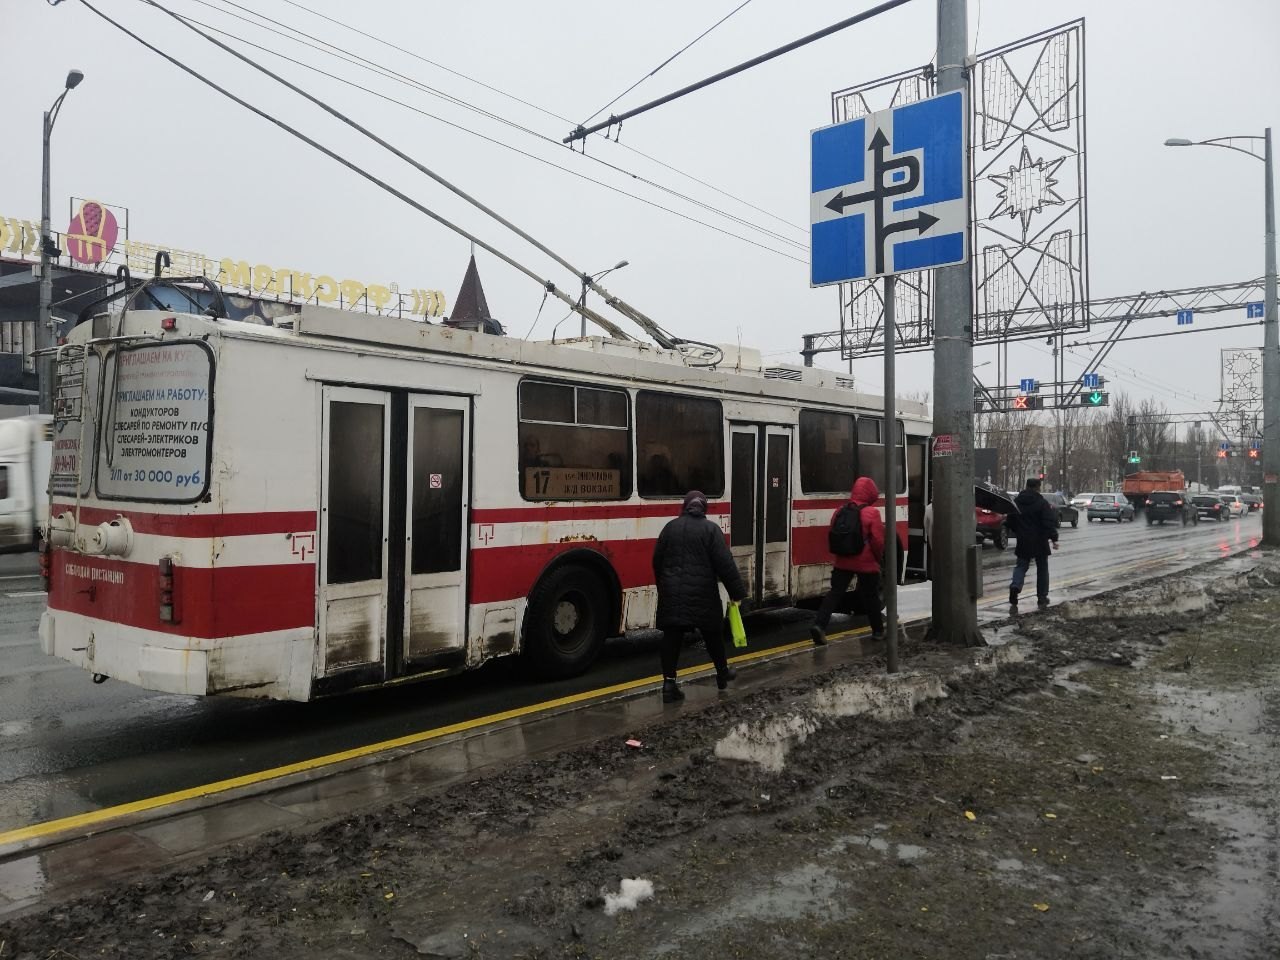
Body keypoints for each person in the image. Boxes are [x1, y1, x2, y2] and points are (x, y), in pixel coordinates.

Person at [652, 490, 748, 703]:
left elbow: (657, 560)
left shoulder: (670, 528)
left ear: (685, 507)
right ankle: (722, 672)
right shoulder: (710, 530)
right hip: (703, 592)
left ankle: (669, 684)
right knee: (712, 632)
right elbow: (725, 564)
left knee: (672, 637)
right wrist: (737, 594)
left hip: (673, 592)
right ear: (704, 508)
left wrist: (664, 586)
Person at [809, 476, 886, 646]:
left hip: (843, 560)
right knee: (871, 596)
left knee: (834, 594)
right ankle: (878, 631)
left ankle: (819, 625)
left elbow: (833, 532)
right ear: (870, 493)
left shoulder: (840, 511)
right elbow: (878, 541)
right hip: (866, 563)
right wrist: (877, 558)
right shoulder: (872, 513)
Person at [1008, 477, 1059, 608]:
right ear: (1037, 487)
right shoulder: (1041, 502)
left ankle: (1015, 586)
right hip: (1040, 540)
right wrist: (1053, 538)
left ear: (1026, 486)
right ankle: (1042, 597)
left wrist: (1018, 531)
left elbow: (1011, 520)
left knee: (1021, 566)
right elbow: (1048, 522)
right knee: (1042, 568)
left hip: (1023, 539)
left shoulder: (1017, 502)